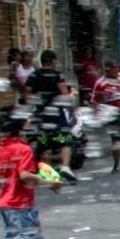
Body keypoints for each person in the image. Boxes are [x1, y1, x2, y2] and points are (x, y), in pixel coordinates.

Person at [0, 108, 69, 239]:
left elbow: (3, 174)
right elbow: (25, 176)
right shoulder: (23, 149)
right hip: (20, 204)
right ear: (23, 125)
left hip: (6, 202)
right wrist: (51, 183)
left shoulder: (3, 147)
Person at [27, 50, 79, 182]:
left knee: (45, 142)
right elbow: (64, 95)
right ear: (52, 61)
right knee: (65, 139)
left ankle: (48, 173)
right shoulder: (56, 75)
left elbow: (27, 95)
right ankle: (65, 167)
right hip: (56, 113)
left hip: (41, 113)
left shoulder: (34, 75)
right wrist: (72, 99)